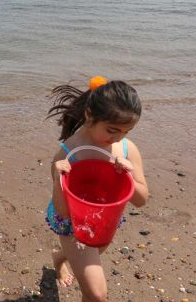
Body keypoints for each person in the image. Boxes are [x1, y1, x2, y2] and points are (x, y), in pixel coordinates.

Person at [45, 76, 150, 302]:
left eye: (126, 131)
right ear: (89, 115)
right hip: (72, 221)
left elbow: (141, 200)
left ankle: (60, 258)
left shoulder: (125, 148)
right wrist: (57, 179)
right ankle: (67, 257)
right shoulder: (69, 153)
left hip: (105, 220)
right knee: (96, 294)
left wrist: (129, 174)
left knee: (94, 252)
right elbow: (63, 210)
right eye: (112, 130)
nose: (117, 137)